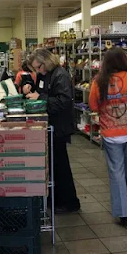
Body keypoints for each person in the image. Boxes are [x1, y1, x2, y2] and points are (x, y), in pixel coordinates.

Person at [89, 47, 127, 226]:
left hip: (110, 133)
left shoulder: (98, 81)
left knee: (116, 170)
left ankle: (123, 211)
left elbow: (93, 106)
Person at [26, 49, 80, 214]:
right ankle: (55, 198)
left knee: (61, 164)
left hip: (60, 126)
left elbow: (63, 101)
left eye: (39, 67)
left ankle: (70, 202)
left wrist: (40, 98)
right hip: (50, 125)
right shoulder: (46, 74)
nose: (38, 71)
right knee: (54, 164)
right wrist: (29, 86)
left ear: (46, 61)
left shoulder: (60, 75)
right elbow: (42, 90)